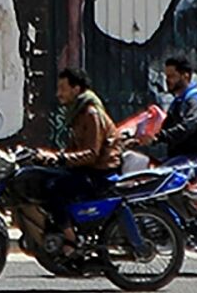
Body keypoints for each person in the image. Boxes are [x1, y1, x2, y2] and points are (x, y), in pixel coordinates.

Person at [36, 67, 121, 256]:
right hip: (87, 169)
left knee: (53, 189)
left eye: (62, 88)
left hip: (99, 172)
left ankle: (71, 238)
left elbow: (91, 153)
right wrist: (50, 157)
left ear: (76, 89)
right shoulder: (77, 113)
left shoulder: (91, 114)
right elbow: (76, 150)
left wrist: (60, 158)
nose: (58, 94)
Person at [132, 55, 197, 178]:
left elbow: (188, 126)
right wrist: (140, 139)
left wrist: (158, 138)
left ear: (185, 76)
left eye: (172, 76)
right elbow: (163, 129)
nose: (167, 81)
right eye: (166, 76)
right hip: (178, 159)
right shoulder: (177, 103)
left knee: (161, 180)